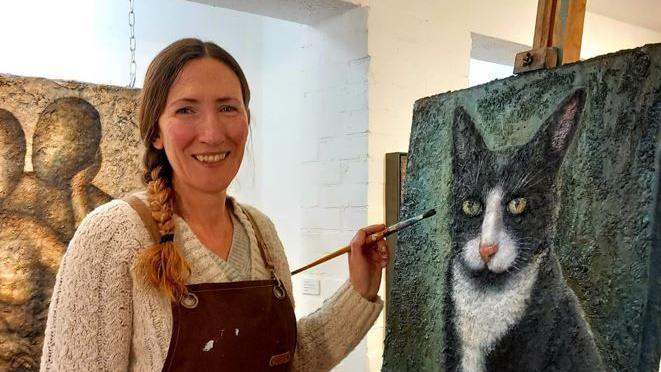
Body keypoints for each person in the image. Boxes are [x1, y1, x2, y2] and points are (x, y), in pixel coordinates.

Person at [40, 38, 389, 371]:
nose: (212, 132)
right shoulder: (112, 236)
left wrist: (360, 288)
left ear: (247, 121)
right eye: (186, 110)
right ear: (156, 132)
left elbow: (290, 361)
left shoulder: (261, 232)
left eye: (227, 108)